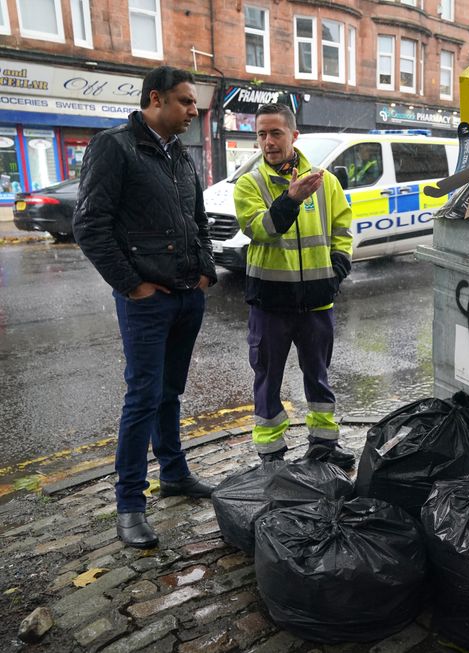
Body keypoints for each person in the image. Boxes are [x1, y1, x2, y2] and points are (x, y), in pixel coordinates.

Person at [73, 66, 218, 549]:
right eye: (185, 102)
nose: (193, 111)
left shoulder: (180, 154)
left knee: (169, 392)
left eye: (194, 103)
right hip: (148, 302)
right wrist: (133, 286)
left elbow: (197, 218)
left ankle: (174, 474)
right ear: (154, 99)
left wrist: (204, 271)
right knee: (141, 399)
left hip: (185, 297)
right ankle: (130, 504)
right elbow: (90, 225)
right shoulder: (114, 147)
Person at [233, 103, 355, 469]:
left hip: (316, 302)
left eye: (275, 133)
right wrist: (291, 199)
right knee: (268, 379)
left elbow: (342, 230)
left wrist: (337, 269)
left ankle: (324, 445)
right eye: (261, 134)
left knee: (318, 377)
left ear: (294, 135)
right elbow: (259, 229)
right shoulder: (249, 183)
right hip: (270, 304)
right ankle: (271, 454)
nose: (267, 142)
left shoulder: (326, 181)